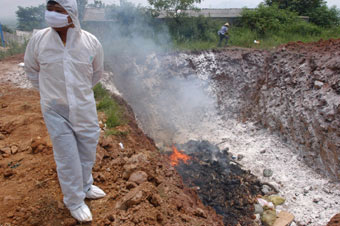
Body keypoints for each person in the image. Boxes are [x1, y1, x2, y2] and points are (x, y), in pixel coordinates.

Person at [24, 0, 105, 222]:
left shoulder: (90, 42)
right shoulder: (39, 40)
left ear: (71, 14)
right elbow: (31, 69)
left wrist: (79, 94)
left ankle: (86, 186)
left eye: (58, 10)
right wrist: (50, 94)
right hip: (54, 109)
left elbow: (97, 72)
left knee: (87, 149)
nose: (52, 14)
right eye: (50, 9)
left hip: (84, 106)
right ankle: (74, 201)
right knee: (67, 156)